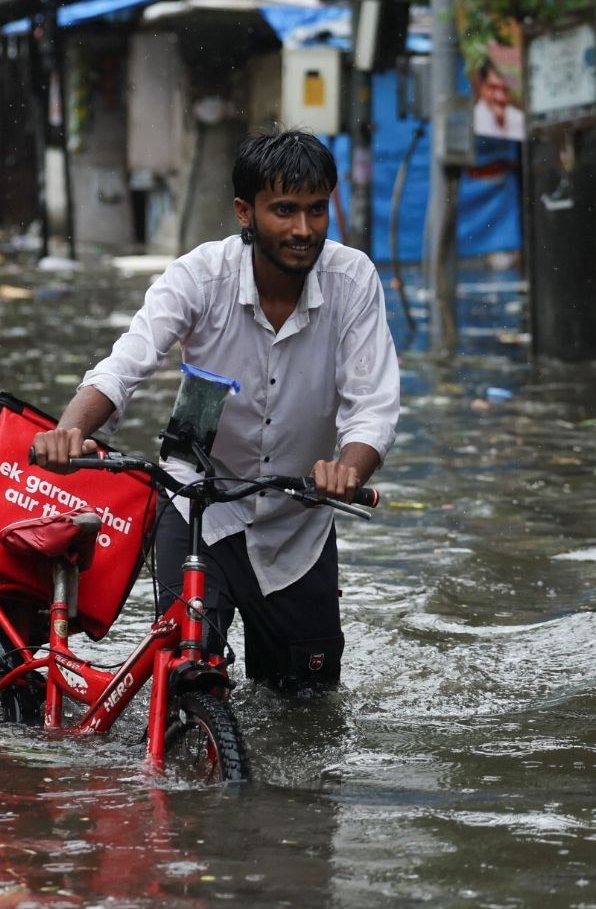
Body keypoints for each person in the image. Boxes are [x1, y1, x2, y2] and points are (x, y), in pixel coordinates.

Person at [31, 129, 400, 696]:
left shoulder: (353, 281)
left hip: (299, 522)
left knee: (308, 712)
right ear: (244, 213)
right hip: (199, 507)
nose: (303, 230)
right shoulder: (200, 276)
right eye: (284, 211)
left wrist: (349, 470)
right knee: (184, 686)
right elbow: (127, 362)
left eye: (315, 211)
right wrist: (69, 431)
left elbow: (372, 404)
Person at [473, 61, 526, 141]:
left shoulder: (519, 119)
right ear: (481, 88)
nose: (500, 97)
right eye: (493, 88)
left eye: (505, 89)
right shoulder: (473, 123)